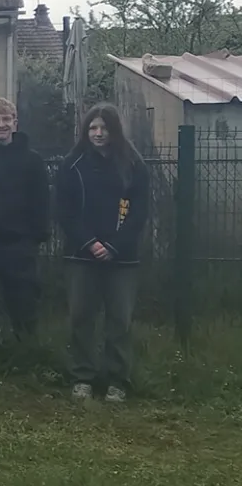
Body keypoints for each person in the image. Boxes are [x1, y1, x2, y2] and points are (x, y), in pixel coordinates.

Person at [56, 103, 149, 404]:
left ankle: (117, 380)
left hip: (123, 257)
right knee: (81, 318)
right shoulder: (72, 165)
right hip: (81, 255)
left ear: (114, 131)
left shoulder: (134, 165)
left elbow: (139, 213)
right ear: (85, 131)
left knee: (119, 320)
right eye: (93, 128)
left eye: (103, 128)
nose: (98, 133)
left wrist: (114, 246)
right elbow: (65, 213)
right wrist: (90, 243)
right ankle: (82, 377)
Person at [0, 97, 51, 349]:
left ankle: (26, 353)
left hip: (20, 244)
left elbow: (42, 201)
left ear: (15, 123)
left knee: (23, 302)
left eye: (6, 119)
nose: (0, 125)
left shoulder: (33, 160)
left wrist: (36, 236)